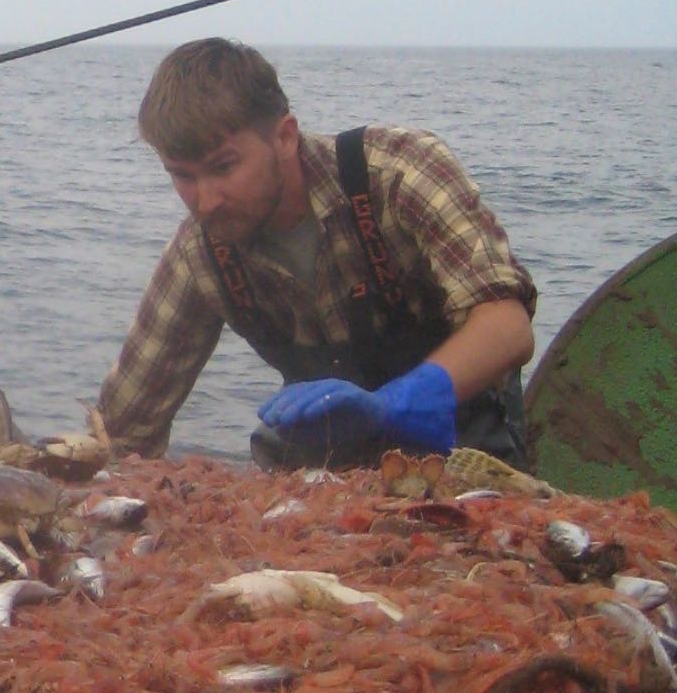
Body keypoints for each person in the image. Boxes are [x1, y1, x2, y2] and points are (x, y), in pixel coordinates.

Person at [97, 38, 535, 469]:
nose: (206, 200)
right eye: (182, 176)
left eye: (223, 167)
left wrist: (399, 403)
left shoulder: (398, 172)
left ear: (285, 137)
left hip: (470, 456)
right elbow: (122, 429)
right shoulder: (200, 255)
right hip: (326, 484)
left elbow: (507, 325)